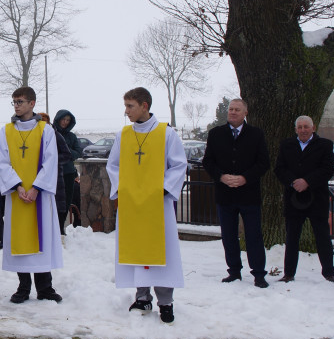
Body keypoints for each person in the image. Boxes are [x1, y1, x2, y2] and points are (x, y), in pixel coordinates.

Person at [106, 88, 186, 323]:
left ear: (144, 105)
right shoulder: (124, 135)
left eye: (130, 106)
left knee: (162, 253)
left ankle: (165, 301)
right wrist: (124, 188)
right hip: (132, 205)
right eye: (125, 106)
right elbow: (113, 166)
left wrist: (162, 189)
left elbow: (179, 165)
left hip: (157, 205)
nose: (126, 111)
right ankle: (142, 297)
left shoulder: (166, 133)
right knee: (137, 251)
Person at [0, 86, 63, 303]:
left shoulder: (46, 130)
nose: (16, 105)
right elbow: (2, 162)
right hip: (17, 196)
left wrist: (36, 188)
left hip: (40, 196)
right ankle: (23, 287)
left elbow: (51, 161)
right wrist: (18, 187)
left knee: (42, 238)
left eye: (20, 101)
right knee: (20, 240)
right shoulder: (5, 132)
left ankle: (45, 288)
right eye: (14, 101)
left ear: (32, 103)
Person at [201, 98, 270, 288]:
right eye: (230, 109)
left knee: (254, 235)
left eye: (237, 110)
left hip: (249, 194)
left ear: (245, 112)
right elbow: (208, 161)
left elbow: (263, 163)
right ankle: (234, 271)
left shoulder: (256, 134)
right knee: (228, 235)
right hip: (225, 194)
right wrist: (221, 176)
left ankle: (258, 274)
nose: (232, 112)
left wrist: (245, 178)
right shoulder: (216, 134)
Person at [274, 115, 334, 283]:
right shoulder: (286, 145)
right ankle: (288, 273)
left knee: (322, 237)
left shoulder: (325, 145)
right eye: (300, 127)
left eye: (306, 127)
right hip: (294, 197)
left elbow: (327, 169)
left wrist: (307, 181)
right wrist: (293, 182)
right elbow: (279, 169)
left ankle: (329, 273)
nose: (303, 130)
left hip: (317, 198)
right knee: (292, 237)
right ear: (295, 129)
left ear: (313, 128)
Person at [53, 109, 83, 226]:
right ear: (58, 119)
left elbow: (78, 152)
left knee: (67, 201)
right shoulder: (52, 134)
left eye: (67, 120)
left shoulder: (71, 136)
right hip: (55, 173)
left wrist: (66, 150)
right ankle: (54, 226)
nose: (65, 122)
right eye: (63, 119)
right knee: (55, 202)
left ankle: (61, 226)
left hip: (69, 172)